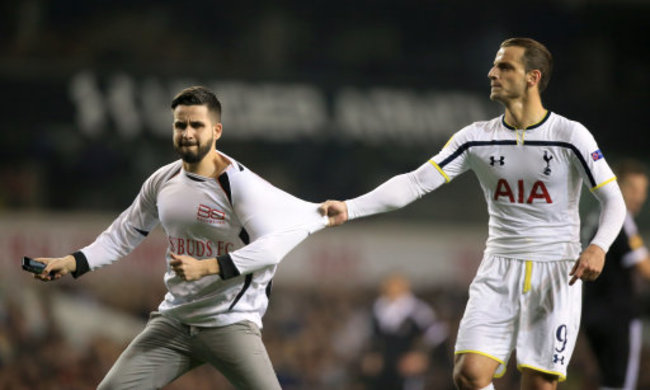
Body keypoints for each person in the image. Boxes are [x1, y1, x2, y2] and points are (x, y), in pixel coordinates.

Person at [319, 37, 627, 390]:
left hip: (556, 268)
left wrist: (598, 246)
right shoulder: (476, 137)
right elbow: (416, 183)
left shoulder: (570, 135)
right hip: (499, 265)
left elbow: (613, 200)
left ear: (533, 77)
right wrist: (351, 207)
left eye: (504, 66)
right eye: (495, 65)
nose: (492, 72)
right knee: (469, 374)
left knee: (539, 385)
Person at [30, 86, 328, 390]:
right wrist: (71, 261)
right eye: (180, 124)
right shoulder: (162, 181)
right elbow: (123, 234)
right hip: (174, 323)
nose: (187, 132)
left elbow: (270, 250)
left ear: (216, 130)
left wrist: (207, 266)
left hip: (230, 324)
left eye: (196, 125)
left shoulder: (242, 187)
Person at [581, 159, 650, 390]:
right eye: (633, 189)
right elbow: (645, 268)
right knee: (620, 384)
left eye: (643, 190)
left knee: (608, 381)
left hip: (592, 315)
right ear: (617, 187)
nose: (639, 197)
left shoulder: (596, 217)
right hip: (617, 316)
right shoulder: (621, 219)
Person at [359, 272, 451, 390]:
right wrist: (371, 356)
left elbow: (438, 332)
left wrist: (421, 354)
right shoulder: (377, 309)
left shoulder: (417, 309)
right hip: (384, 368)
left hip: (408, 368)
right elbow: (372, 338)